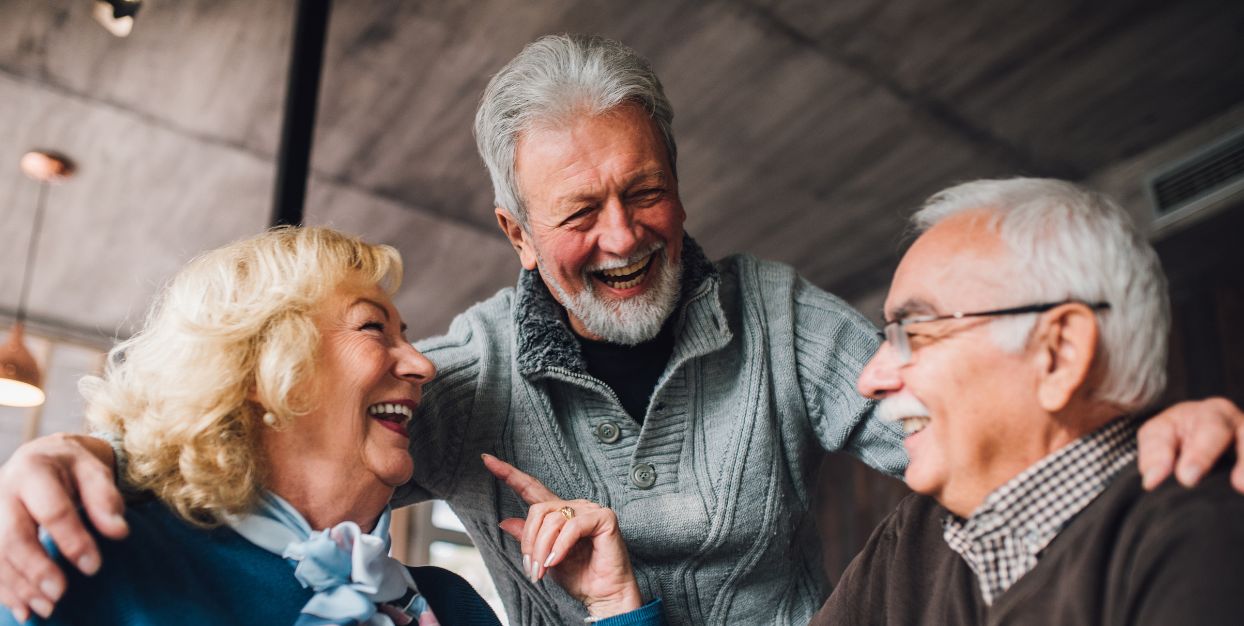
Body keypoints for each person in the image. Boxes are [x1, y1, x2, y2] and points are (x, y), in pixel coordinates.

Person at [1, 35, 1243, 625]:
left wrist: (1131, 429)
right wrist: (84, 462)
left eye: (644, 191)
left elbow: (969, 425)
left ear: (679, 183)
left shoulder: (773, 312)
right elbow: (284, 425)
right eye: (578, 210)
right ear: (512, 230)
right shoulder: (460, 372)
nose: (623, 234)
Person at [0, 227, 661, 626]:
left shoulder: (448, 608)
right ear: (263, 368)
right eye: (375, 326)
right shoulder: (85, 557)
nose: (423, 364)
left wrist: (613, 604)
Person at [813, 179, 1244, 625]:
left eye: (915, 331)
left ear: (1059, 354)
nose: (869, 379)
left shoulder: (1201, 536)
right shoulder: (912, 542)